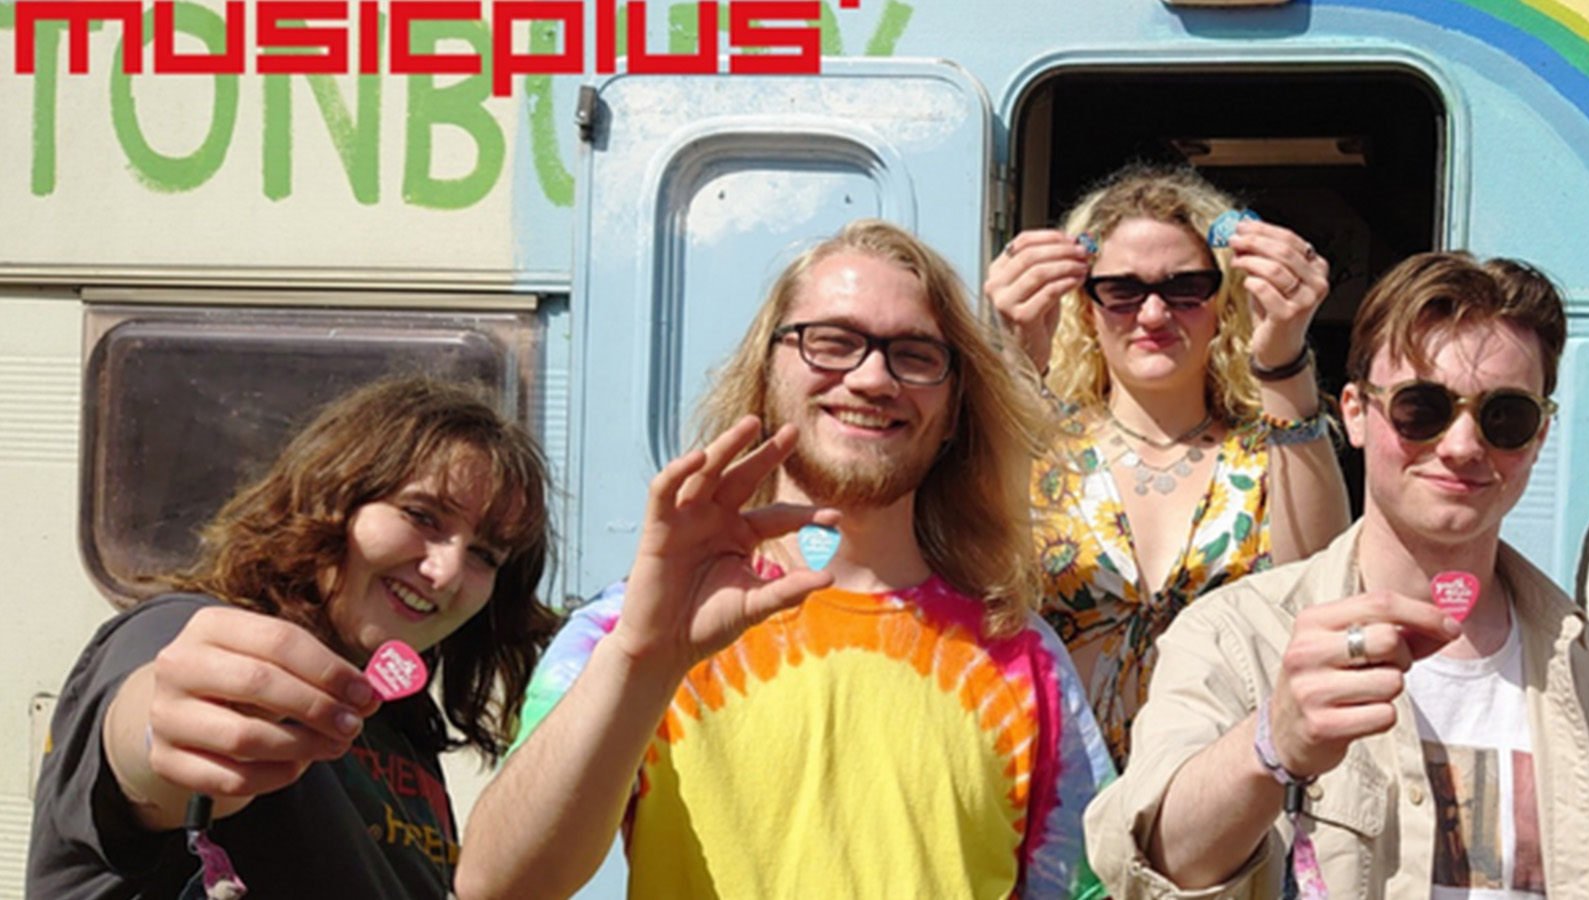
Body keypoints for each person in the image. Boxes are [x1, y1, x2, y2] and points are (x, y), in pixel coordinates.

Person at [455, 219, 1115, 900]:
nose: (872, 377)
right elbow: (497, 886)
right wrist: (643, 658)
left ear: (952, 413)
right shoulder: (633, 629)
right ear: (767, 376)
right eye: (831, 342)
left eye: (915, 354)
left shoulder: (1023, 656)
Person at [1084, 252, 1589, 899]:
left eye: (1505, 417)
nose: (1464, 445)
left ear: (1541, 435)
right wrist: (1273, 744)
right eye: (1423, 408)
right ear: (1355, 412)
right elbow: (1149, 864)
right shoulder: (1239, 635)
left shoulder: (1586, 667)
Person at [28, 377, 559, 899]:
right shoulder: (176, 628)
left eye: (485, 555)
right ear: (330, 496)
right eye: (421, 516)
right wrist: (163, 736)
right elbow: (150, 729)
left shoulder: (400, 719)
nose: (445, 571)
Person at [983, 164, 1351, 767]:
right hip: (1055, 795)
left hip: (1225, 801)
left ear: (1222, 299)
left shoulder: (1271, 450)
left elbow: (1318, 590)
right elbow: (980, 581)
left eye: (1184, 289)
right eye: (1123, 291)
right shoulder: (1041, 444)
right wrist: (1016, 362)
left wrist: (1285, 353)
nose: (1153, 315)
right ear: (1085, 303)